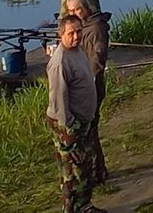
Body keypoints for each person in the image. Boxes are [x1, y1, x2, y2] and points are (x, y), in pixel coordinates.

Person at [47, 14, 101, 213]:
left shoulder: (78, 51)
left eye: (79, 31)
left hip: (84, 120)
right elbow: (59, 100)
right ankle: (70, 209)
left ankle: (84, 206)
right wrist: (70, 125)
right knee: (71, 172)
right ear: (61, 34)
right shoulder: (59, 62)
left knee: (85, 166)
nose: (76, 36)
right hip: (68, 125)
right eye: (71, 33)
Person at [66, 0, 110, 186]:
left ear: (87, 7)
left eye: (78, 9)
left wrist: (86, 84)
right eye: (71, 11)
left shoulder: (97, 28)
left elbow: (97, 62)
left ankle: (97, 172)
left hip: (92, 88)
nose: (75, 13)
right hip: (82, 88)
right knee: (87, 131)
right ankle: (97, 171)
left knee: (90, 130)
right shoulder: (81, 29)